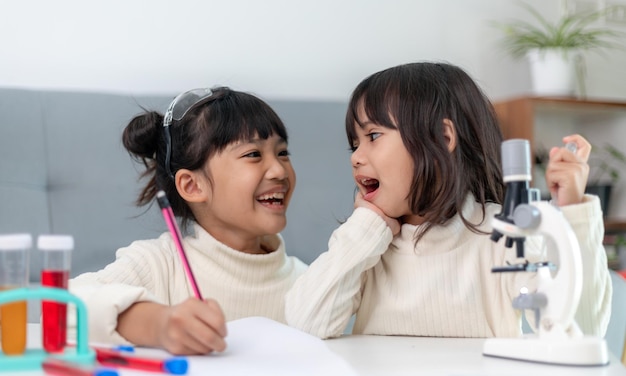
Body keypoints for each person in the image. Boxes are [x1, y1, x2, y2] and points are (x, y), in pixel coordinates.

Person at [285, 62, 612, 340]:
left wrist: (573, 216)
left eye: (373, 136)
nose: (356, 157)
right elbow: (304, 325)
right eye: (353, 144)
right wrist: (366, 230)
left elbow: (580, 331)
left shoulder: (505, 234)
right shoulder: (367, 243)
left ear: (442, 138)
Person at [70, 86, 307, 358]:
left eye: (283, 152)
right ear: (192, 185)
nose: (279, 170)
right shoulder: (160, 265)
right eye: (253, 154)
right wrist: (158, 324)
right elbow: (59, 306)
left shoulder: (307, 281)